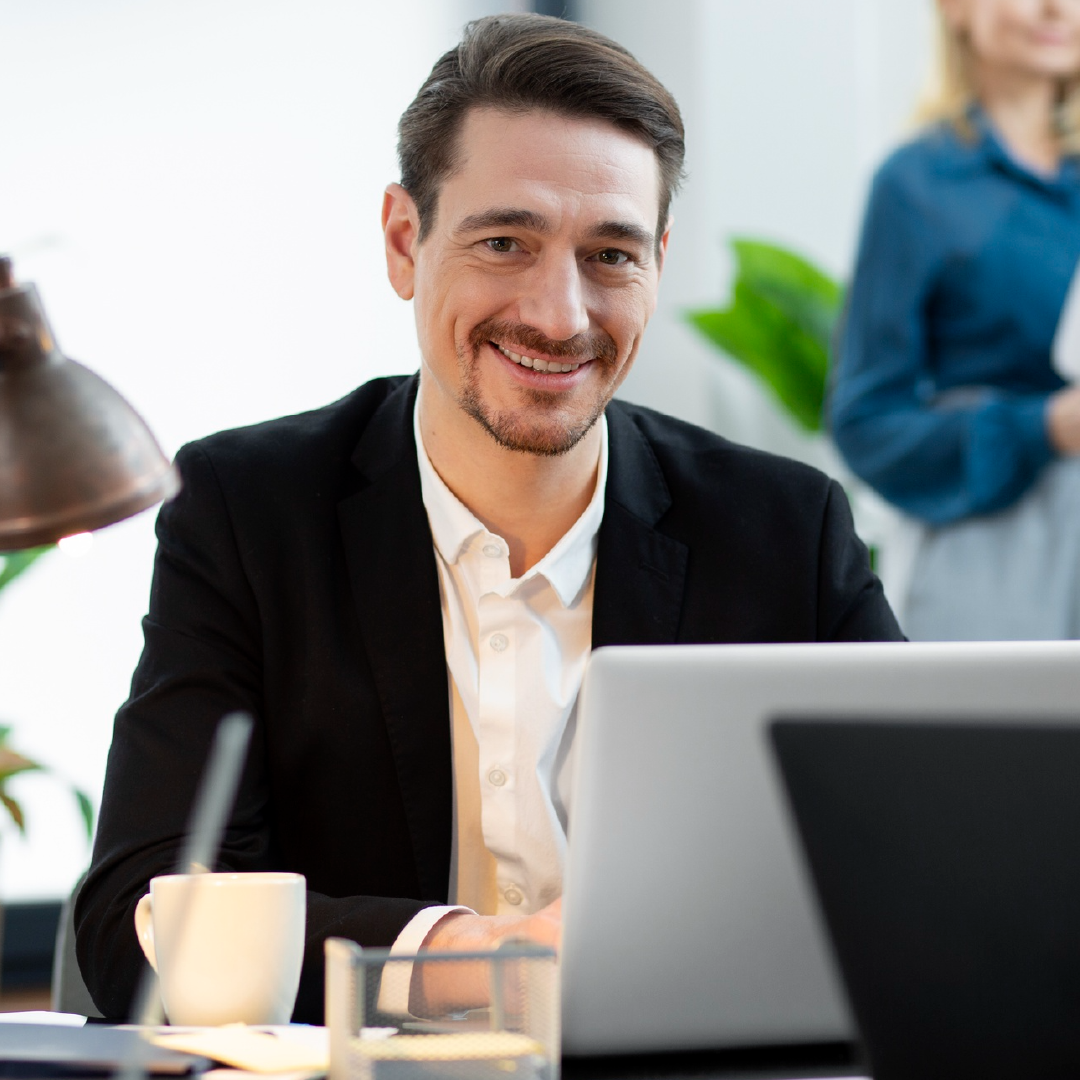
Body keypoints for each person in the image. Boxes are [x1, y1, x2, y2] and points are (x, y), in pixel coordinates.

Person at [75, 13, 902, 1023]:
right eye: (504, 242)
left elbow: (905, 886)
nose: (560, 315)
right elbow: (137, 926)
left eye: (610, 255)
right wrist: (483, 955)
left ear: (658, 260)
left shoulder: (784, 528)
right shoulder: (249, 512)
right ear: (402, 241)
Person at [831, 0, 1080, 640]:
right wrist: (1045, 427)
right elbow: (867, 424)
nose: (1058, 8)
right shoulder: (916, 185)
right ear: (956, 9)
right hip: (999, 562)